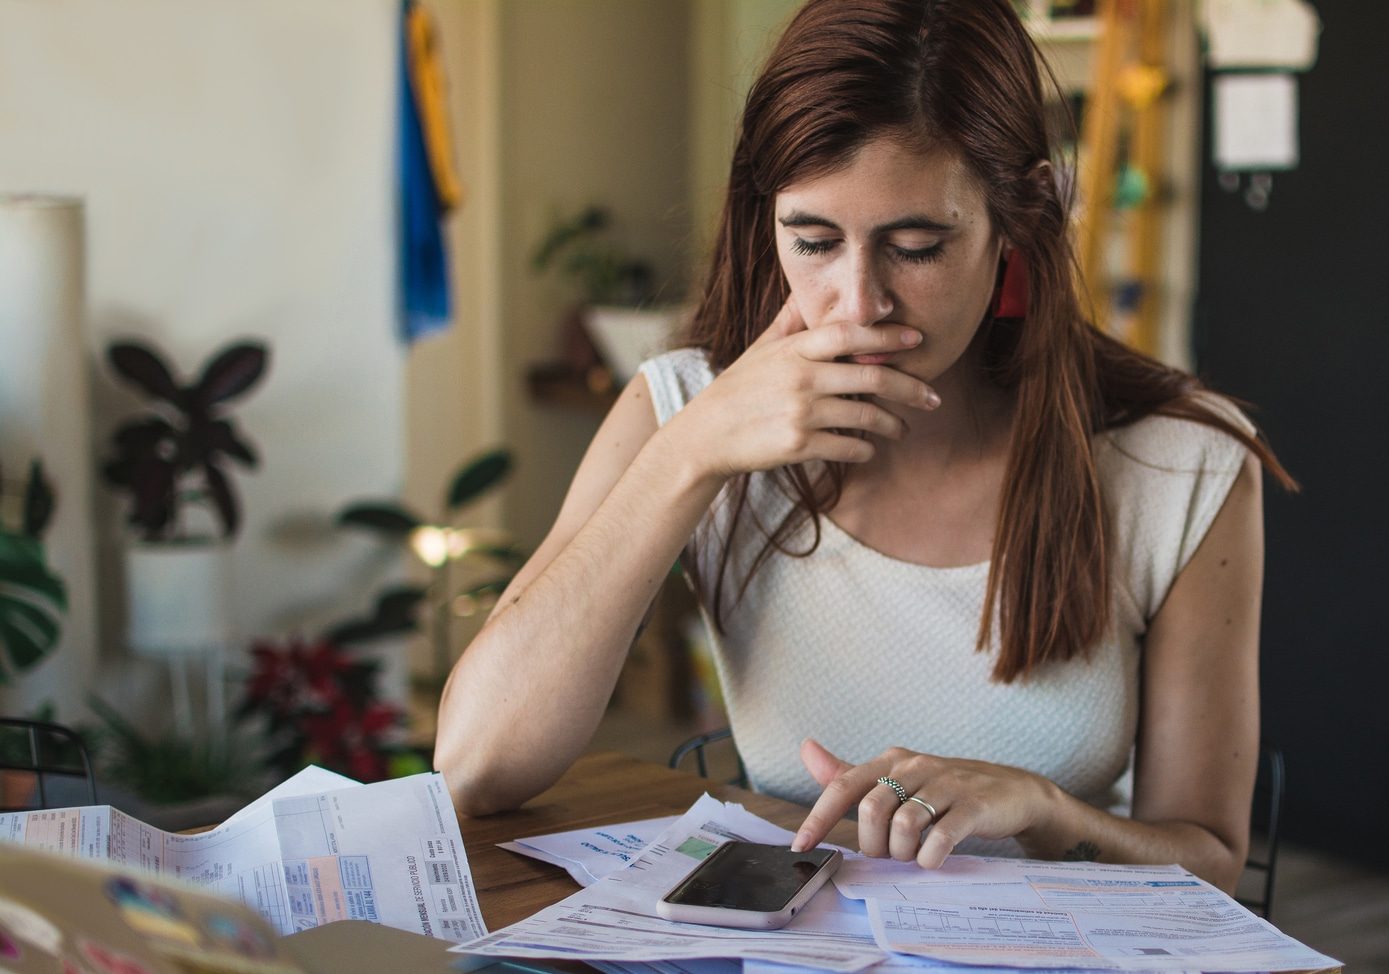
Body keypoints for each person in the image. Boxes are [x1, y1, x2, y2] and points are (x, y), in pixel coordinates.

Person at [434, 0, 1292, 892]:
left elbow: (1211, 864)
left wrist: (1046, 810)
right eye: (811, 240)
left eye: (915, 246)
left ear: (1018, 221)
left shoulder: (1182, 464)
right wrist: (688, 456)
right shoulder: (688, 411)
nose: (858, 302)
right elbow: (477, 766)